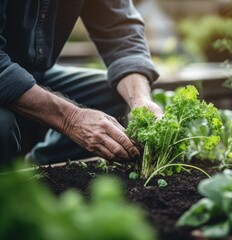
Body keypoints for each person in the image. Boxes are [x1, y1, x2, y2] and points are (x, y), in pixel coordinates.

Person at [0, 0, 163, 167]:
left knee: (109, 94)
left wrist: (140, 99)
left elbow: (119, 28)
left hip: (34, 73)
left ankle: (38, 173)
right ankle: (8, 186)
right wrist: (71, 119)